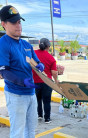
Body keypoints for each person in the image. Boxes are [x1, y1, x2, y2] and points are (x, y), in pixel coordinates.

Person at [0, 5, 45, 138]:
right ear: (4, 24)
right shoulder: (3, 43)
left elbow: (37, 63)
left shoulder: (26, 45)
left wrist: (40, 66)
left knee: (31, 130)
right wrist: (22, 81)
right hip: (16, 95)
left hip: (31, 94)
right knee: (18, 132)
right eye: (13, 22)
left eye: (19, 21)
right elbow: (3, 72)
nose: (18, 25)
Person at [33, 38, 58, 124]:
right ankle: (47, 118)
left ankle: (39, 115)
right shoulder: (51, 58)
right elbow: (54, 72)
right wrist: (56, 81)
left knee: (38, 99)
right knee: (46, 101)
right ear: (48, 46)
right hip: (46, 82)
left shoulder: (34, 54)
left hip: (35, 82)